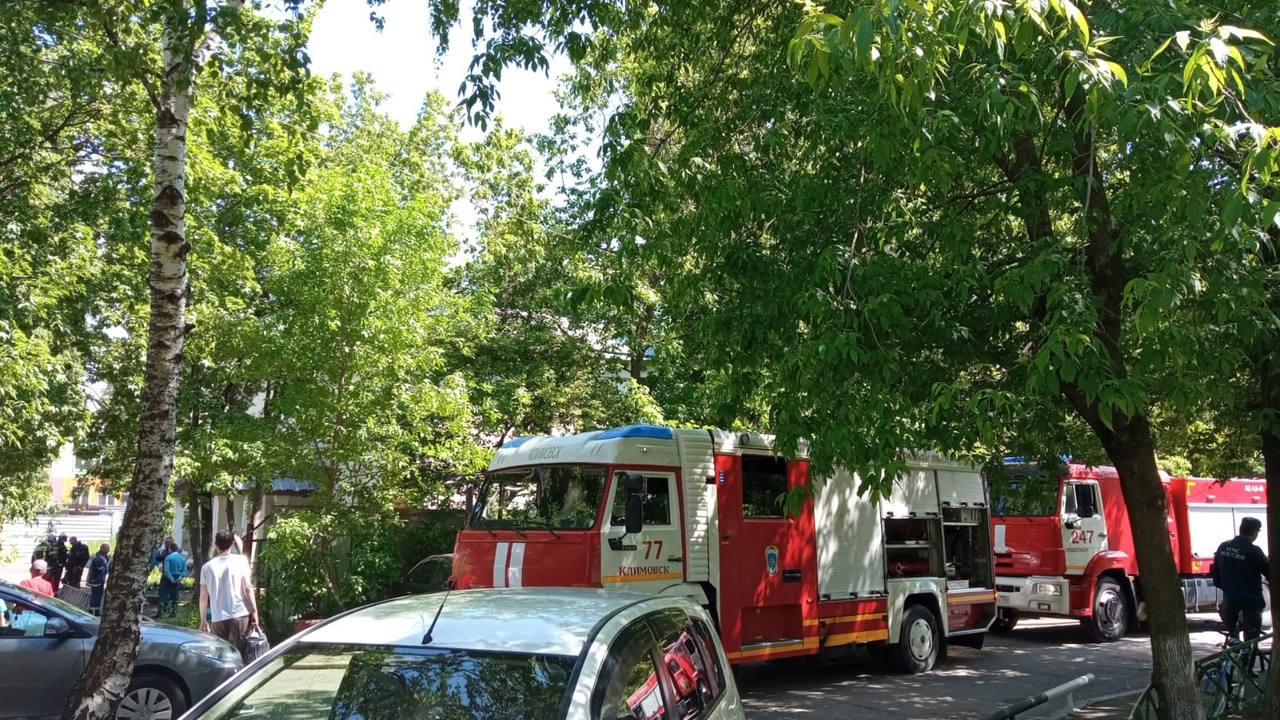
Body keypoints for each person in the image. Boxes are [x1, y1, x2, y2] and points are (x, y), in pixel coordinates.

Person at [199, 530, 260, 659]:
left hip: (218, 616)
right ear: (232, 543)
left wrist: (203, 620)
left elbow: (203, 596)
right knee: (243, 651)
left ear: (215, 544)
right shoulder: (241, 560)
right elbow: (248, 587)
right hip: (239, 612)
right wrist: (254, 612)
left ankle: (223, 677)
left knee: (219, 654)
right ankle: (243, 676)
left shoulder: (207, 567)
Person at [1212, 517, 1270, 643]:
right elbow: (1269, 573)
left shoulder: (1224, 547)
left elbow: (1215, 574)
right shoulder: (1254, 551)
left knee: (1233, 636)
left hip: (1230, 601)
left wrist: (1227, 589)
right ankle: (1248, 661)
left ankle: (1234, 656)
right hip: (1251, 601)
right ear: (1254, 532)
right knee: (1251, 641)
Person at [159, 539, 187, 617]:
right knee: (174, 595)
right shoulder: (182, 558)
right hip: (177, 578)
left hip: (168, 578)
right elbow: (184, 570)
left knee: (163, 594)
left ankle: (161, 612)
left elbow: (166, 570)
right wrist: (180, 578)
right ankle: (173, 612)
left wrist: (171, 579)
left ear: (170, 548)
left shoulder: (168, 557)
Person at [87, 543, 111, 615]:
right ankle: (94, 613)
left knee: (96, 597)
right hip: (96, 582)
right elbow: (100, 569)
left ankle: (94, 611)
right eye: (107, 549)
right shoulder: (101, 558)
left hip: (96, 581)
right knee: (96, 598)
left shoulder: (100, 556)